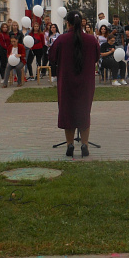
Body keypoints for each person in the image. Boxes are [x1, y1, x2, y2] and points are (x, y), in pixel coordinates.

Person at [48, 10, 101, 157]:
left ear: (67, 23)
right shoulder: (91, 40)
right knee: (84, 112)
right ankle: (84, 144)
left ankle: (70, 144)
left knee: (67, 112)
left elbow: (52, 57)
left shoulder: (61, 39)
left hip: (67, 82)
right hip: (86, 82)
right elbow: (96, 57)